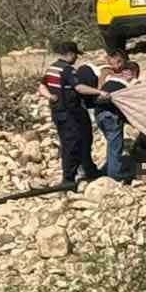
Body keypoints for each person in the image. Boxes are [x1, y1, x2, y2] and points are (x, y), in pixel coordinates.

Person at [74, 46, 140, 182]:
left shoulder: (110, 79)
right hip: (110, 115)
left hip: (98, 114)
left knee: (112, 144)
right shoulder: (128, 83)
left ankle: (109, 171)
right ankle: (115, 175)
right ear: (132, 73)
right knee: (116, 146)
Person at [38, 40, 99, 186]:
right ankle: (68, 180)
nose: (76, 58)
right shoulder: (67, 69)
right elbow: (79, 88)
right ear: (70, 54)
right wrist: (99, 92)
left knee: (76, 141)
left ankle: (88, 170)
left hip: (58, 112)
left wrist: (50, 97)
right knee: (72, 145)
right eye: (76, 55)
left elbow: (41, 87)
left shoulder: (52, 68)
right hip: (71, 113)